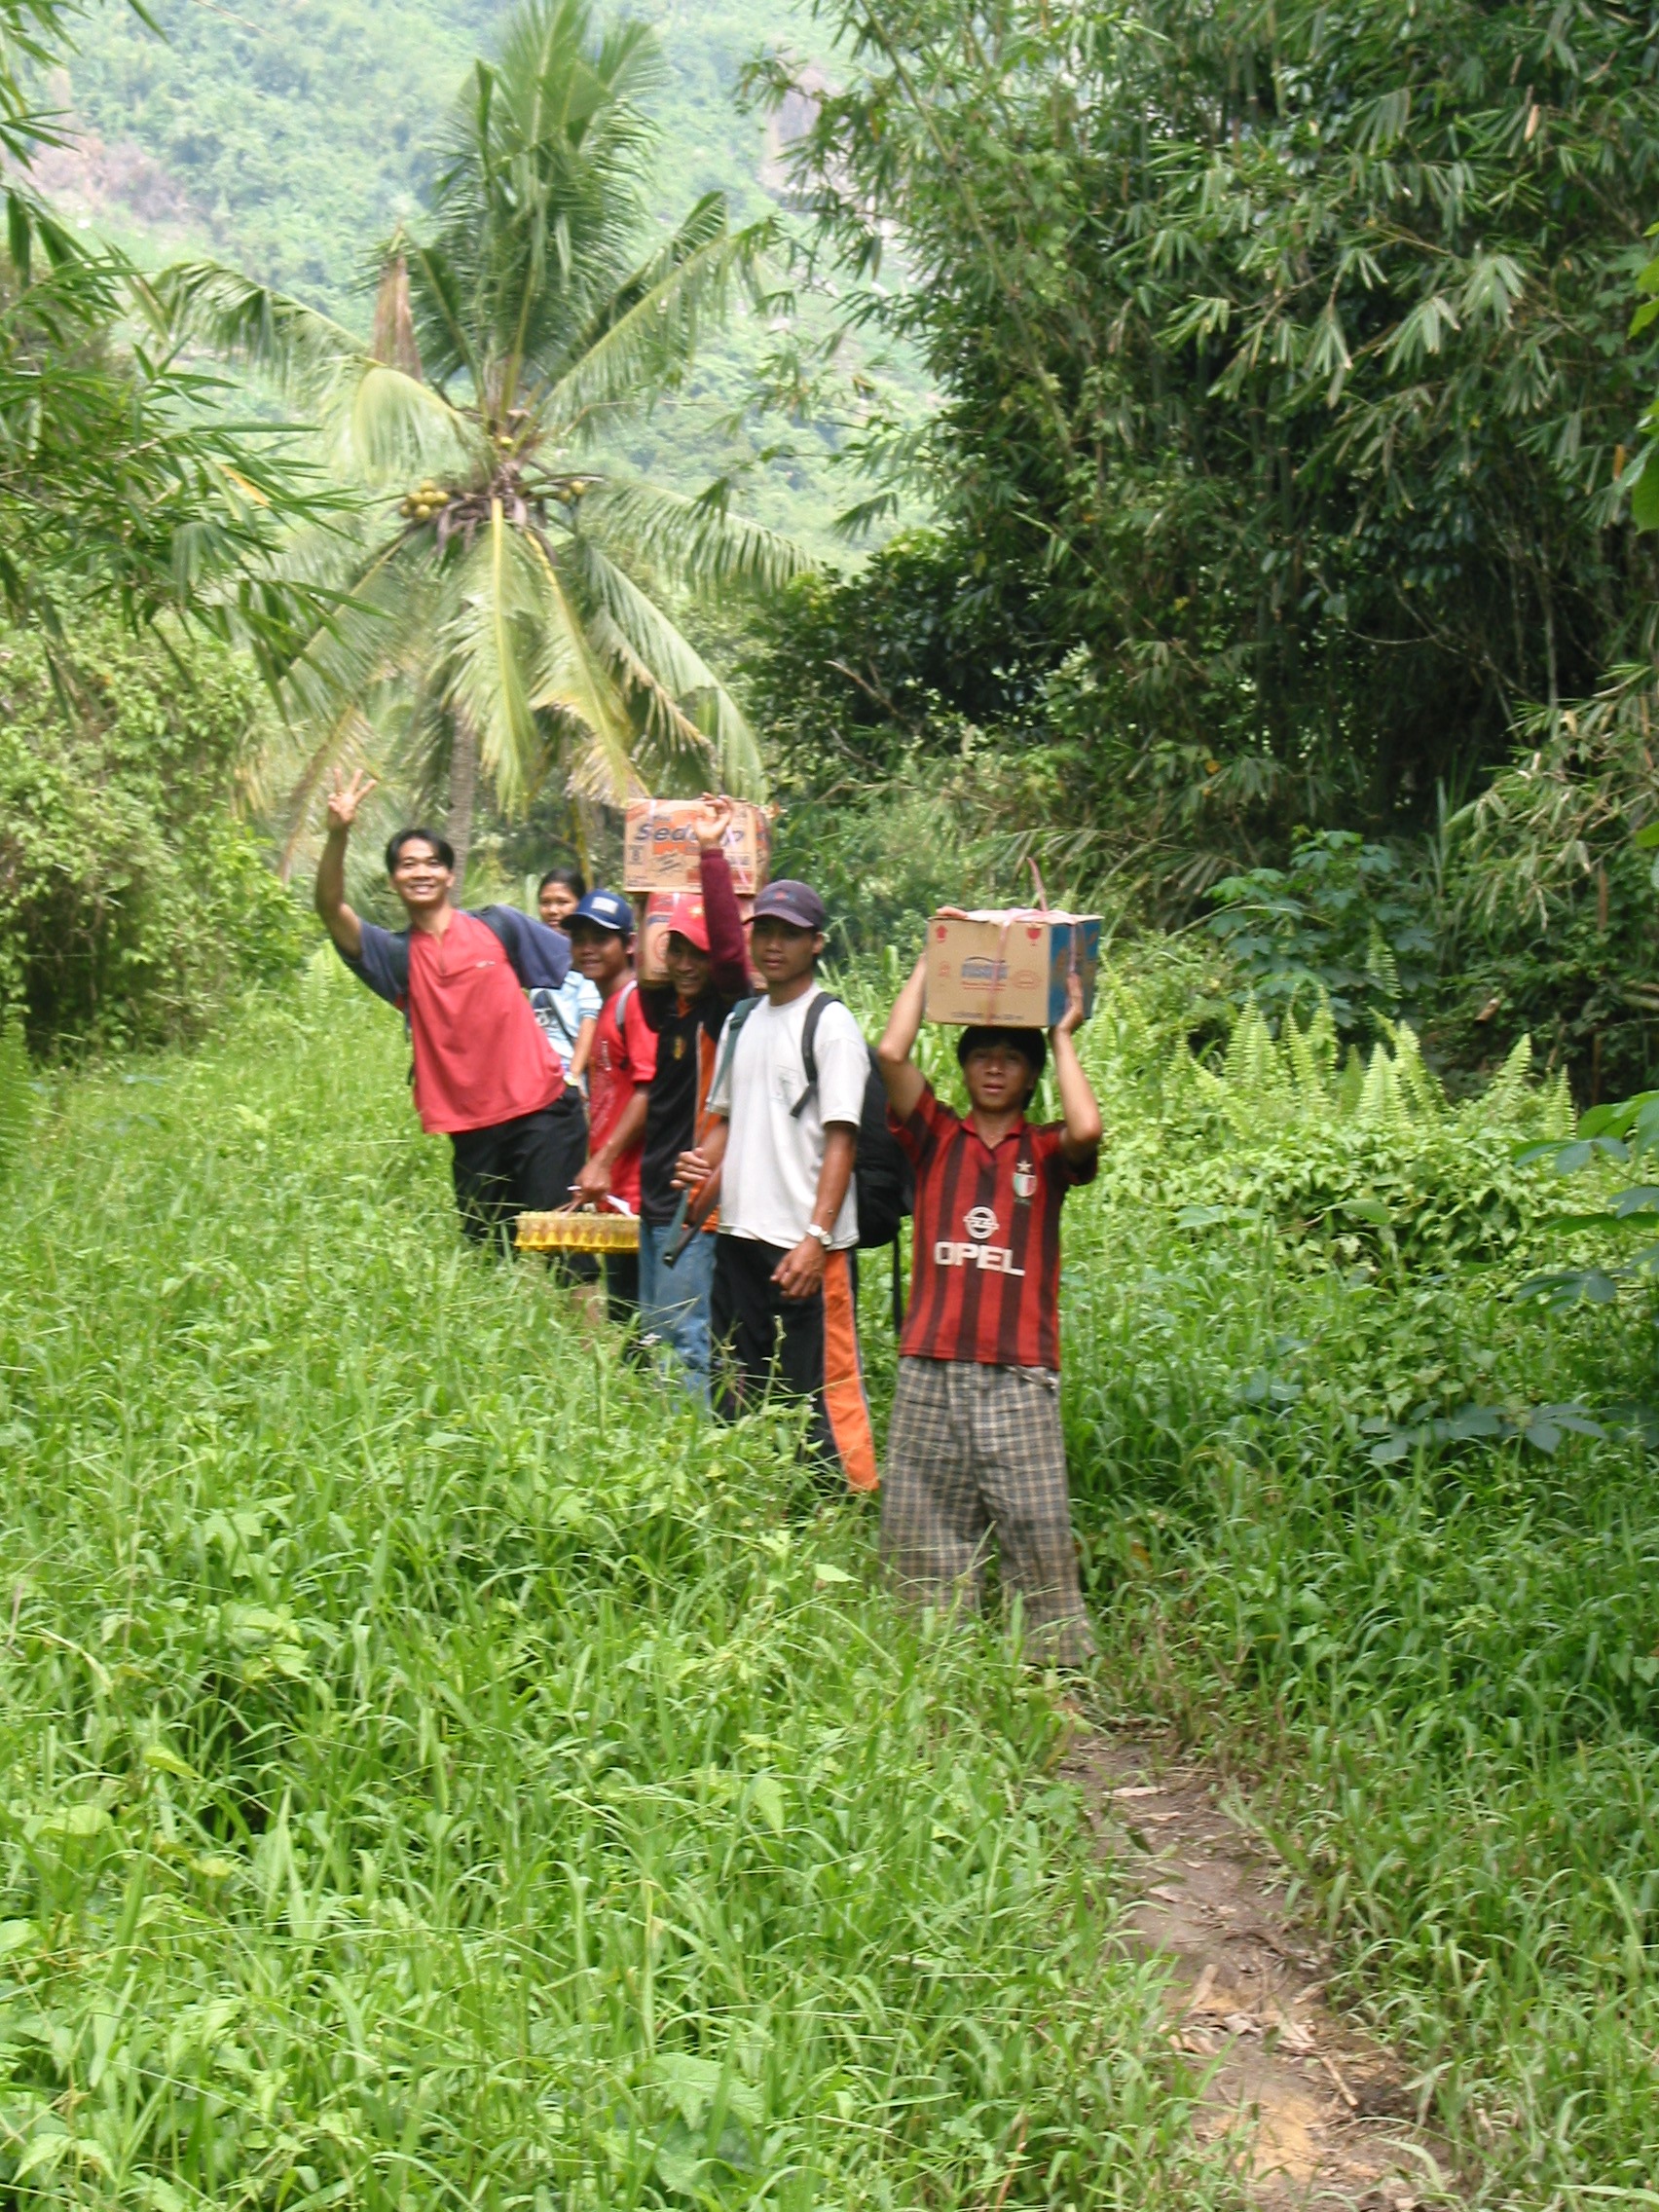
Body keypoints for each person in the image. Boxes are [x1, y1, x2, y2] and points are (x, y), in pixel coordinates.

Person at [874, 955, 1102, 1665]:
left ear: (1032, 1077)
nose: (995, 1068)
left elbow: (1089, 1128)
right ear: (965, 1068)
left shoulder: (1046, 1150)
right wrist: (932, 959)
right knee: (922, 1521)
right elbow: (890, 1053)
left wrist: (1061, 1035)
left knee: (1036, 1520)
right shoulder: (937, 1135)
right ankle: (929, 1657)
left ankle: (1054, 1664)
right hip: (930, 1362)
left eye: (1011, 1059)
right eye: (982, 1057)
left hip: (1019, 1369)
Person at [314, 769, 585, 1249]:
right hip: (472, 1130)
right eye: (408, 865)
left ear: (449, 875)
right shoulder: (393, 956)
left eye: (432, 863)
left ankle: (582, 1305)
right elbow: (330, 908)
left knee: (567, 1251)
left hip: (543, 1110)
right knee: (488, 1259)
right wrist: (338, 834)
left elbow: (590, 962)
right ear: (394, 879)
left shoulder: (499, 926)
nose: (421, 872)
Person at [677, 880, 879, 1491]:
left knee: (820, 1392)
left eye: (788, 934)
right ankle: (744, 1499)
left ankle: (842, 1507)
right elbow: (728, 1123)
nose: (772, 944)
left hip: (805, 1246)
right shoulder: (742, 1022)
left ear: (816, 943)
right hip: (740, 1235)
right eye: (764, 930)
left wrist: (817, 1237)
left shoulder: (831, 1025)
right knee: (735, 1381)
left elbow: (842, 1139)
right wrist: (700, 1168)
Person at [635, 795, 750, 1398]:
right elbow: (645, 963)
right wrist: (642, 892)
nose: (684, 963)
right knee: (657, 1336)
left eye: (696, 953)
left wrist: (710, 854)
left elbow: (731, 955)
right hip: (656, 1194)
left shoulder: (723, 1013)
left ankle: (689, 1443)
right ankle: (665, 1441)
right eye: (675, 949)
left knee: (685, 1339)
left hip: (694, 1196)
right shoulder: (667, 1013)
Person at [568, 888, 655, 1323]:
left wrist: (602, 1161)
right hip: (615, 1193)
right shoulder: (606, 1007)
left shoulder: (634, 1002)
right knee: (625, 1319)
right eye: (579, 939)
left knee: (642, 1323)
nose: (588, 948)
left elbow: (649, 1089)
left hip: (638, 1194)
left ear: (629, 944)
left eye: (600, 939)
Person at [530, 866, 600, 1088]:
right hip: (537, 1079)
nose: (552, 910)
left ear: (580, 904)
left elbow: (589, 1020)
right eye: (545, 902)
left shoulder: (586, 958)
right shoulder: (535, 956)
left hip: (568, 1081)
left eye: (562, 902)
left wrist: (574, 1077)